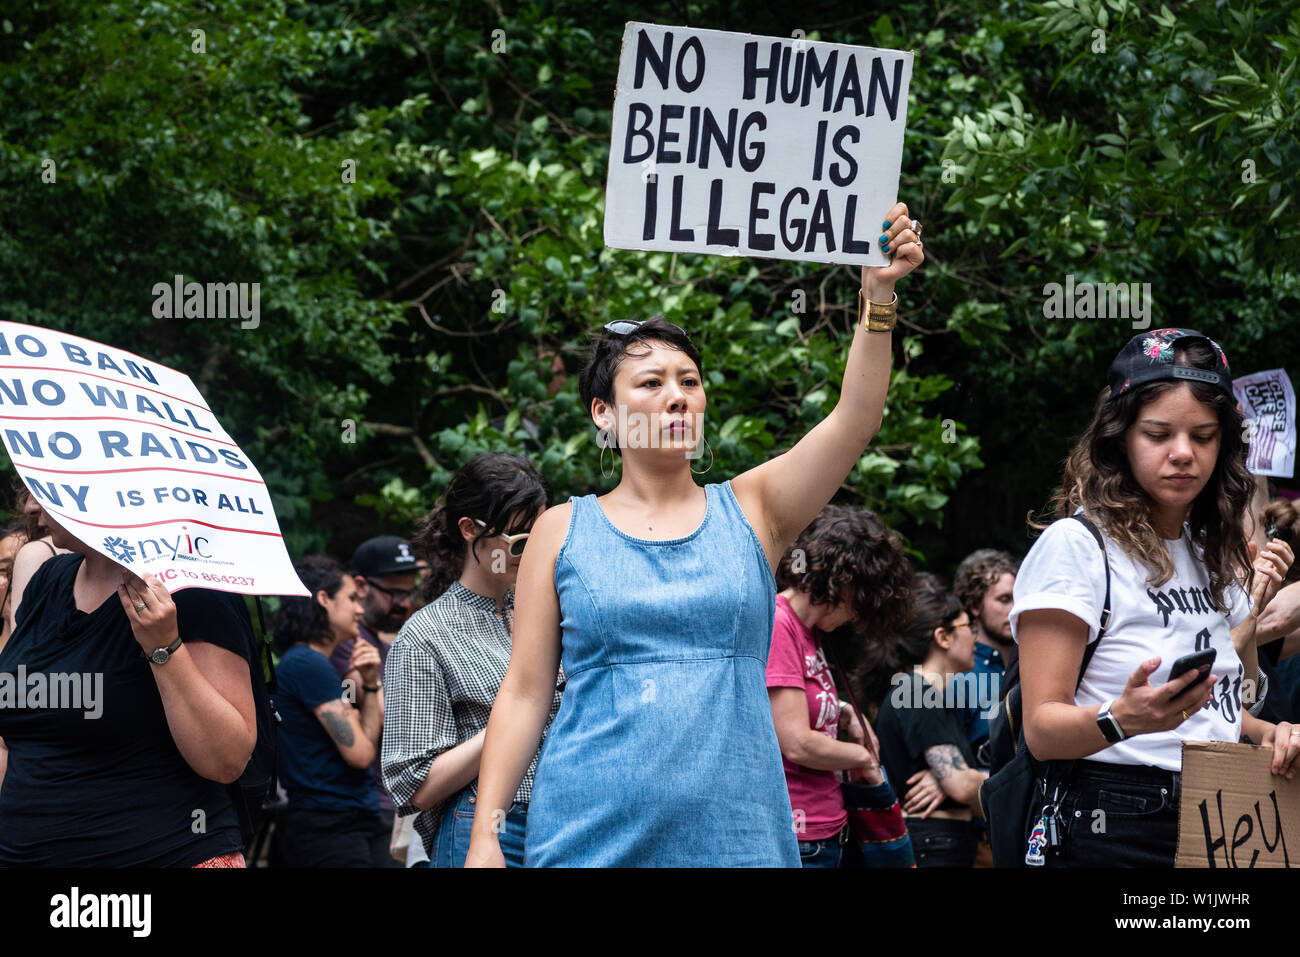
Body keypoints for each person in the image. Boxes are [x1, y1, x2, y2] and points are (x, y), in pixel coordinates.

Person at [466, 202, 924, 867]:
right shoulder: (560, 529)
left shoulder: (754, 509)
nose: (677, 395)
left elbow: (855, 420)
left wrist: (877, 296)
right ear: (604, 412)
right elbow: (526, 691)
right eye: (651, 382)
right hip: (586, 839)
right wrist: (486, 832)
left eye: (690, 381)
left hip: (739, 841)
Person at [1013, 328, 1296, 868]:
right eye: (1158, 433)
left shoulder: (1211, 551)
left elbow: (1214, 714)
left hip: (1221, 812)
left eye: (1205, 435)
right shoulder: (1076, 546)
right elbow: (1042, 732)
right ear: (1120, 437)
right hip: (1111, 820)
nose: (1184, 454)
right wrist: (1122, 718)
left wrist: (1272, 733)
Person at [0, 496, 256, 866]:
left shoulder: (187, 590)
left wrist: (163, 646)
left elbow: (225, 760)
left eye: (42, 488)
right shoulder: (47, 583)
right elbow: (14, 742)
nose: (28, 507)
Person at [382, 452, 558, 867]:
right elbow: (415, 786)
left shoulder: (548, 610)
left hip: (566, 820)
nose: (532, 552)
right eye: (520, 541)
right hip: (489, 827)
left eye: (542, 538)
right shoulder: (427, 635)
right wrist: (518, 715)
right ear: (468, 529)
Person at [767, 504, 913, 867]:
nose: (859, 614)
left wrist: (846, 712)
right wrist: (863, 758)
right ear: (846, 578)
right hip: (799, 837)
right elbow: (798, 743)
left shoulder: (812, 633)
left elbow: (802, 703)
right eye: (863, 597)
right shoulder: (779, 623)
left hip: (827, 830)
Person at [270, 555, 389, 867]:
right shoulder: (309, 664)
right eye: (351, 598)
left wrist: (371, 684)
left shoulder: (307, 663)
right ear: (323, 599)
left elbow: (363, 741)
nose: (360, 609)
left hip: (338, 821)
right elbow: (361, 754)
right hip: (329, 826)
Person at [874, 573, 987, 867]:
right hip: (933, 845)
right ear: (943, 637)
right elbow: (961, 785)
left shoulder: (928, 695)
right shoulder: (917, 693)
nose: (975, 636)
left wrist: (954, 779)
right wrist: (1018, 783)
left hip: (940, 841)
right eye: (968, 626)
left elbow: (957, 782)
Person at [328, 536, 423, 835]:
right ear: (361, 586)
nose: (404, 604)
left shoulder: (380, 645)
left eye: (409, 593)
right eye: (394, 593)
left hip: (391, 802)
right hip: (363, 806)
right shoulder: (347, 643)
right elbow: (385, 711)